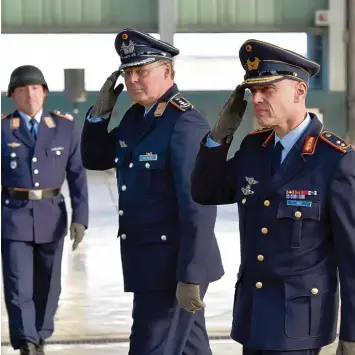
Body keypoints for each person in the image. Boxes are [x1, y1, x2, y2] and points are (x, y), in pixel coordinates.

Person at [190, 39, 355, 355]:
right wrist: (217, 139)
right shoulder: (254, 148)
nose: (257, 99)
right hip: (253, 318)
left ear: (299, 92)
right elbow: (206, 191)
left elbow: (352, 257)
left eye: (268, 90)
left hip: (299, 323)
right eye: (253, 91)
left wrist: (352, 333)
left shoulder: (335, 159)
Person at [80, 28, 224, 355]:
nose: (133, 80)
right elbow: (95, 158)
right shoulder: (135, 118)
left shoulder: (185, 123)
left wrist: (190, 275)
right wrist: (99, 116)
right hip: (148, 264)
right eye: (128, 72)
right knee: (190, 347)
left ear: (167, 72)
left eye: (142, 71)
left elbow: (198, 206)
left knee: (149, 347)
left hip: (172, 268)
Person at [2, 65, 89, 355]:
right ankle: (26, 341)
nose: (30, 94)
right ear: (12, 95)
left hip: (52, 216)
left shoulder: (64, 127)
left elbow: (77, 176)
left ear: (45, 93)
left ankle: (40, 336)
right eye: (23, 89)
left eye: (36, 88)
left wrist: (81, 218)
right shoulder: (3, 129)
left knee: (50, 286)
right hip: (13, 216)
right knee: (18, 286)